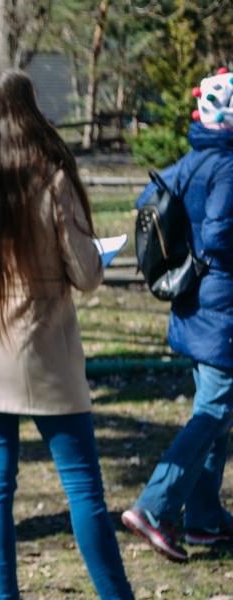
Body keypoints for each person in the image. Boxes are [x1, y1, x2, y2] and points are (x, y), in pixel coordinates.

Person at [0, 69, 190, 600]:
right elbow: (86, 272)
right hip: (43, 344)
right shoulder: (52, 176)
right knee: (82, 487)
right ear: (29, 110)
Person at [120, 71, 233, 561]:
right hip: (221, 311)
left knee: (212, 411)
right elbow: (221, 236)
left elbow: (151, 207)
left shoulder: (190, 160)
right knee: (214, 410)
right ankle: (156, 507)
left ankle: (204, 519)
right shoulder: (228, 165)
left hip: (194, 307)